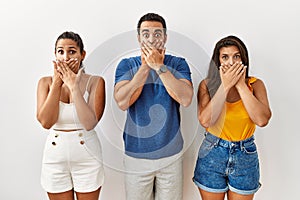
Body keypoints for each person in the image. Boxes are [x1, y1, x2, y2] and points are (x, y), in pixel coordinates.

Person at [114, 13, 193, 200]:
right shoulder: (126, 65)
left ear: (165, 38)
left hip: (171, 156)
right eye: (146, 34)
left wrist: (159, 67)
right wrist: (145, 67)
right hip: (136, 156)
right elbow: (122, 102)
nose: (151, 39)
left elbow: (186, 98)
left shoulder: (178, 63)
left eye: (157, 34)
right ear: (139, 38)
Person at [193, 35, 272, 200]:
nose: (231, 62)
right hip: (212, 153)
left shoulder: (255, 85)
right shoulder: (207, 85)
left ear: (243, 59)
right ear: (218, 61)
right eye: (225, 57)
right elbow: (205, 120)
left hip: (245, 155)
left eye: (236, 56)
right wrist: (226, 85)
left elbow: (262, 120)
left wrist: (241, 85)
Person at [36, 31, 105, 200]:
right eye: (60, 52)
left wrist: (74, 86)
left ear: (82, 54)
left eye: (72, 51)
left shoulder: (96, 81)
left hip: (87, 157)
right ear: (55, 55)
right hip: (55, 157)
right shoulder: (45, 82)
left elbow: (89, 123)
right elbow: (46, 122)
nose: (65, 57)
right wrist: (57, 84)